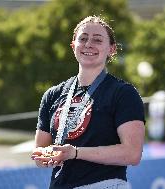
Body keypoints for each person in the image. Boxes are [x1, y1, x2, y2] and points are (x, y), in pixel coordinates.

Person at [31, 15, 145, 189]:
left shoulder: (123, 93)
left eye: (97, 40)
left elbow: (132, 153)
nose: (88, 44)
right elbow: (39, 152)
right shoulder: (53, 95)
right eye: (83, 39)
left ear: (112, 49)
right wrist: (46, 156)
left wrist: (75, 153)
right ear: (73, 46)